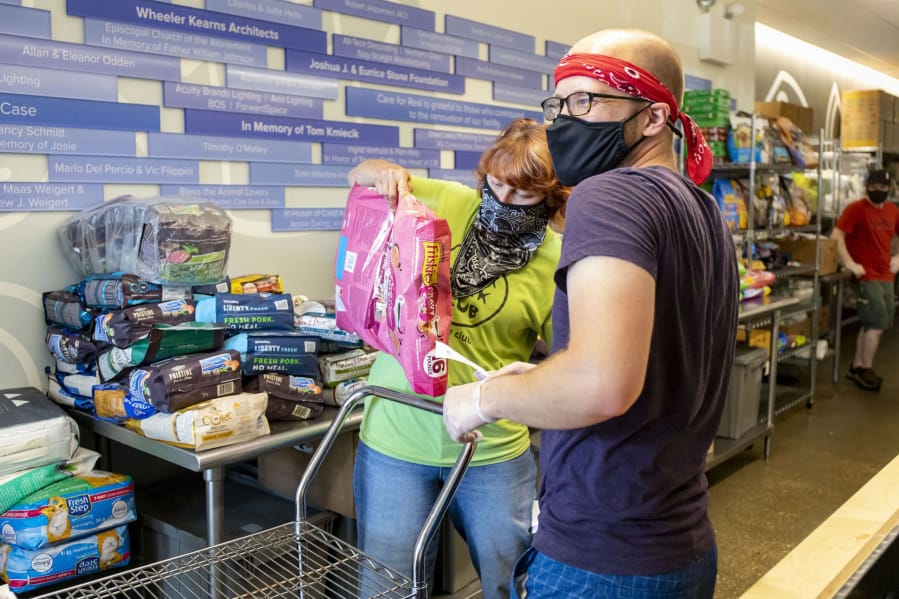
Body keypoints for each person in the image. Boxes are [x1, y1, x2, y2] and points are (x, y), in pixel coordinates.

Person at [442, 29, 739, 598]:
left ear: (652, 118)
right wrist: (539, 378)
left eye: (587, 101)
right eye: (558, 103)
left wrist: (480, 400)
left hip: (603, 559)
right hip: (681, 545)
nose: (562, 121)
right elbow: (650, 363)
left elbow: (602, 386)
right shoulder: (702, 209)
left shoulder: (612, 195)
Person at [346, 118, 569, 599]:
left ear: (550, 196)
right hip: (396, 437)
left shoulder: (557, 260)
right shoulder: (448, 201)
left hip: (489, 447)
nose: (503, 201)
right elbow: (359, 174)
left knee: (509, 580)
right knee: (386, 586)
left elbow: (566, 363)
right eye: (495, 183)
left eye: (523, 194)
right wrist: (383, 173)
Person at [830, 168, 899, 391]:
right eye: (874, 186)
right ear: (867, 186)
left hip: (886, 275)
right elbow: (836, 236)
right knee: (876, 325)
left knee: (874, 324)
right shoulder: (856, 209)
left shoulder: (892, 211)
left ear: (889, 188)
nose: (878, 190)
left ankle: (857, 366)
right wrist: (849, 263)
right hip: (866, 275)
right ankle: (865, 369)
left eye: (882, 187)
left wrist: (898, 257)